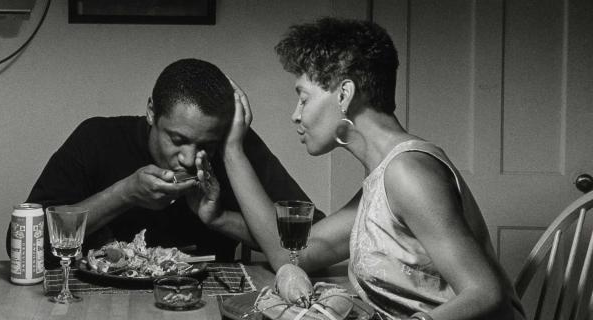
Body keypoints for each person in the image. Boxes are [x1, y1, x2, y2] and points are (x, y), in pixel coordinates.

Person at [222, 19, 525, 319]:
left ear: (344, 95)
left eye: (303, 98)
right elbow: (290, 254)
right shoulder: (383, 176)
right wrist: (233, 151)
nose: (295, 115)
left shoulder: (408, 174)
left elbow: (487, 295)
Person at [8, 58, 322, 268]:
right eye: (177, 139)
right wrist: (124, 193)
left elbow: (310, 241)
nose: (188, 158)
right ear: (151, 112)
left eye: (206, 146)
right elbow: (21, 244)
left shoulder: (235, 148)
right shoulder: (97, 138)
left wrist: (220, 218)